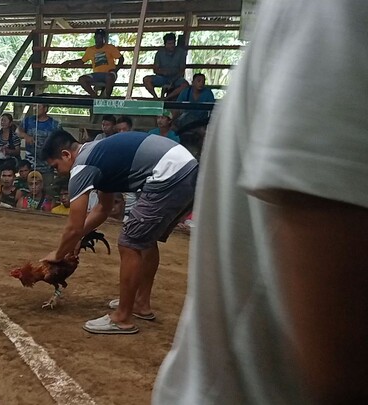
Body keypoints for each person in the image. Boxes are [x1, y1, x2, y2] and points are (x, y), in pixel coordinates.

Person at [154, 2, 368, 404]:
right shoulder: (340, 15)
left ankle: (130, 311)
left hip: (174, 175)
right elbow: (344, 357)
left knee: (136, 239)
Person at [39, 129, 197, 334]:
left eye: (55, 166)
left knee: (129, 242)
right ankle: (141, 303)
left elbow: (73, 225)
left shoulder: (82, 166)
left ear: (66, 155)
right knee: (145, 240)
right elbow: (102, 209)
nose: (57, 172)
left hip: (170, 174)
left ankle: (122, 318)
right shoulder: (99, 156)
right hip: (187, 170)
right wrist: (78, 239)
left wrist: (58, 254)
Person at [62, 29, 124, 98]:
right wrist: (69, 62)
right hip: (96, 75)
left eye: (100, 37)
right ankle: (95, 97)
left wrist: (115, 70)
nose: (98, 39)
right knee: (82, 79)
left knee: (110, 77)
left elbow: (121, 58)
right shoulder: (90, 50)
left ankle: (106, 98)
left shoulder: (110, 47)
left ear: (104, 38)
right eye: (97, 37)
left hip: (109, 73)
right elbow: (81, 61)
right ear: (94, 38)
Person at [18, 103, 61, 188]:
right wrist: (25, 136)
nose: (35, 108)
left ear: (45, 109)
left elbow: (60, 140)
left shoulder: (54, 124)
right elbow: (18, 131)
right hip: (30, 166)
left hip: (46, 166)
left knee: (47, 190)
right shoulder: (28, 121)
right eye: (34, 106)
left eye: (38, 106)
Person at [142, 33, 188, 100]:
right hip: (162, 78)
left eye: (173, 43)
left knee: (185, 85)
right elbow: (155, 69)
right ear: (165, 44)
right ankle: (156, 98)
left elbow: (182, 70)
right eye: (169, 44)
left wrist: (173, 81)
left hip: (176, 78)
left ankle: (166, 98)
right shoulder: (160, 53)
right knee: (146, 80)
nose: (171, 45)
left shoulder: (180, 53)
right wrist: (163, 72)